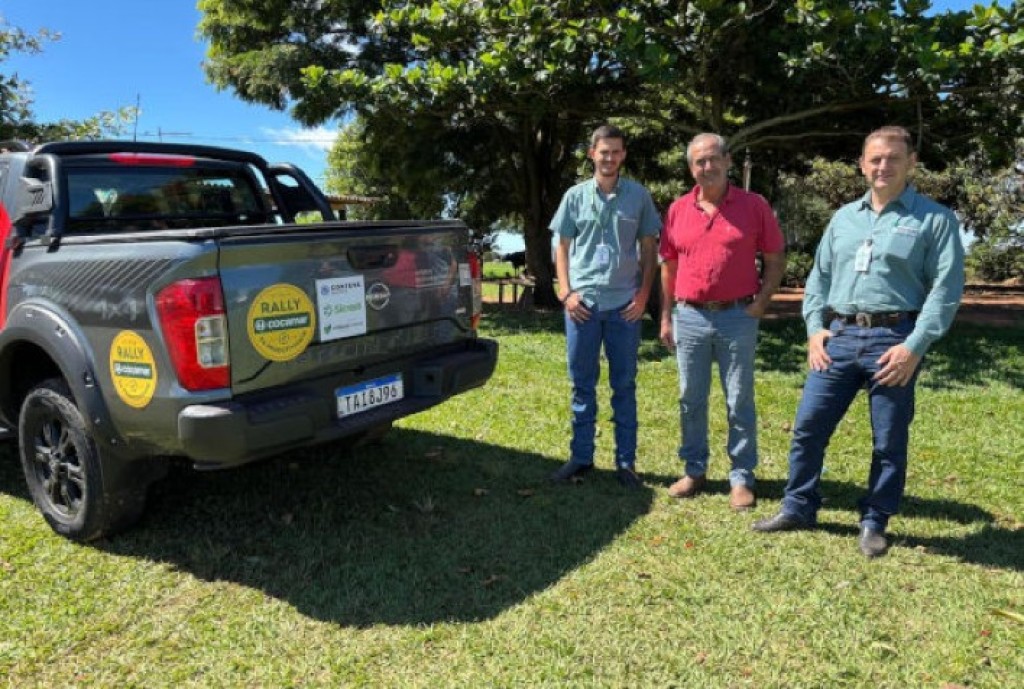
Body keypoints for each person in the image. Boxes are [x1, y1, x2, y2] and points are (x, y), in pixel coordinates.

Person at [753, 125, 965, 558]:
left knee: (888, 440)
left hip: (894, 340)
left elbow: (946, 290)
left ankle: (874, 521)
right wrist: (814, 329)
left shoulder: (935, 220)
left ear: (911, 163)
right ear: (862, 165)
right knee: (808, 428)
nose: (883, 166)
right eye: (875, 159)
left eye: (893, 158)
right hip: (840, 337)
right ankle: (798, 506)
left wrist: (915, 346)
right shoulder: (844, 218)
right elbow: (819, 279)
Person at [659, 133, 786, 510]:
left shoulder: (753, 205)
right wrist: (665, 315)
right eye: (699, 161)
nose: (708, 166)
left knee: (739, 399)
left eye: (714, 159)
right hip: (690, 316)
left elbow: (775, 257)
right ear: (691, 168)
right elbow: (669, 267)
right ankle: (694, 469)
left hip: (737, 317)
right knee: (690, 398)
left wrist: (761, 303)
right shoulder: (677, 210)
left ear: (728, 161)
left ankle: (742, 476)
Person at [548, 124, 661, 488]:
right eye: (603, 151)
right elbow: (562, 247)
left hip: (624, 306)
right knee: (582, 385)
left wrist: (643, 297)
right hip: (583, 306)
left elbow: (649, 251)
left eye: (615, 152)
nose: (609, 158)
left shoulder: (638, 197)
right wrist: (566, 292)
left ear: (623, 155)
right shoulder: (574, 197)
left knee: (624, 385)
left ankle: (626, 462)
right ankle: (581, 457)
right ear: (591, 154)